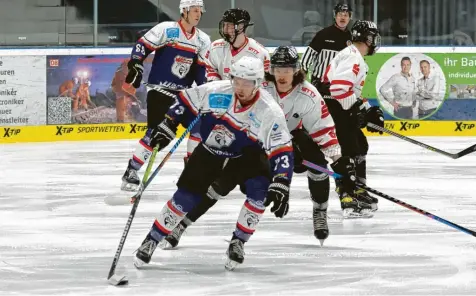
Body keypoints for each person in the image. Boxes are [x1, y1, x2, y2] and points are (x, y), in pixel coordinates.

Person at [159, 46, 359, 249]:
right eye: (278, 69)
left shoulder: (309, 95)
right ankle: (181, 224)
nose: (282, 75)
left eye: (287, 70)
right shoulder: (258, 85)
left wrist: (338, 160)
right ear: (270, 70)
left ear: (296, 70)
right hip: (253, 143)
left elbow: (323, 129)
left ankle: (319, 212)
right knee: (221, 183)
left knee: (316, 161)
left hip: (291, 144)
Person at [133, 56, 297, 271]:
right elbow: (184, 101)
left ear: (258, 83)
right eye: (236, 81)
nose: (240, 87)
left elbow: (282, 149)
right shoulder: (215, 90)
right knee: (185, 197)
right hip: (210, 151)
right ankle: (152, 239)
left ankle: (238, 242)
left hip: (246, 157)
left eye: (246, 83)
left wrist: (282, 181)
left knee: (260, 192)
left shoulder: (270, 111)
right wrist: (168, 125)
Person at [120, 0, 211, 191]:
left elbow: (200, 71)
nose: (198, 14)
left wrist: (206, 89)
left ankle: (192, 171)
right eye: (194, 10)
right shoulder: (167, 29)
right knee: (158, 134)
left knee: (201, 128)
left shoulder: (203, 40)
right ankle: (132, 170)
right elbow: (141, 46)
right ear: (184, 11)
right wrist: (136, 63)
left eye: (200, 11)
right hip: (160, 90)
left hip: (184, 95)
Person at [185, 8, 270, 159]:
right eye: (225, 25)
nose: (227, 29)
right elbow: (209, 68)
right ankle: (193, 165)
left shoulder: (259, 52)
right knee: (198, 129)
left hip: (245, 106)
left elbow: (264, 85)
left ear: (242, 27)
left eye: (231, 26)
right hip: (220, 100)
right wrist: (216, 86)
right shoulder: (216, 46)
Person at [320, 20, 384, 216]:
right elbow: (338, 89)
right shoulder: (352, 57)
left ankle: (358, 189)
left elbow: (350, 90)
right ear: (368, 39)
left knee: (359, 145)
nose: (374, 42)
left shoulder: (353, 55)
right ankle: (347, 196)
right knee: (346, 151)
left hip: (338, 107)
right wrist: (357, 110)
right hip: (335, 108)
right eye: (373, 38)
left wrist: (368, 109)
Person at [301, 3, 353, 95]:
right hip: (319, 83)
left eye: (346, 15)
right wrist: (302, 73)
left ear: (349, 17)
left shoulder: (351, 38)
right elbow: (308, 55)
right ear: (335, 16)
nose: (343, 18)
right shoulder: (323, 34)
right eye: (340, 14)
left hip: (339, 85)